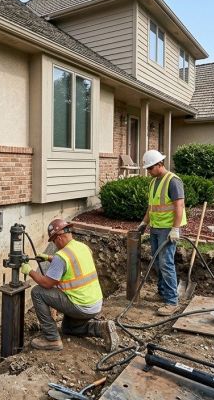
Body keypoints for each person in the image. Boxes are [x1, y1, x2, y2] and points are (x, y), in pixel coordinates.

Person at [20, 219, 119, 352]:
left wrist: (29, 271)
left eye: (54, 241)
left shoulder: (61, 256)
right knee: (68, 328)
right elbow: (71, 262)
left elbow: (47, 283)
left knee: (37, 292)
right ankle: (101, 328)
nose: (55, 244)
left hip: (80, 306)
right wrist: (48, 258)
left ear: (59, 238)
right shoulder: (83, 247)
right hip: (95, 304)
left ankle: (52, 339)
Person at [136, 150, 187, 316]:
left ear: (160, 164)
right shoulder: (153, 182)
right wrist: (144, 223)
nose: (148, 171)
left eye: (150, 168)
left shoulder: (173, 181)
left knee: (166, 263)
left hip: (168, 229)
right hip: (156, 227)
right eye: (147, 169)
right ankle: (162, 292)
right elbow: (151, 207)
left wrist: (175, 229)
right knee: (157, 262)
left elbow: (179, 206)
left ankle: (172, 302)